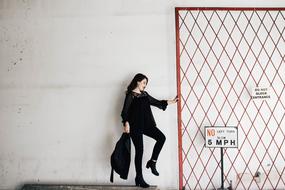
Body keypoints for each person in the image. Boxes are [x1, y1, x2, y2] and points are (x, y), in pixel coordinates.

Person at [121, 73, 178, 188]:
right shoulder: (131, 95)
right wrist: (126, 123)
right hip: (135, 127)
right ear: (138, 81)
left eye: (146, 83)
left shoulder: (145, 94)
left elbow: (157, 102)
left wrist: (172, 101)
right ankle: (139, 177)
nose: (145, 85)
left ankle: (152, 162)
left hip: (147, 125)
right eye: (144, 82)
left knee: (161, 138)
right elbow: (125, 112)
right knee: (140, 151)